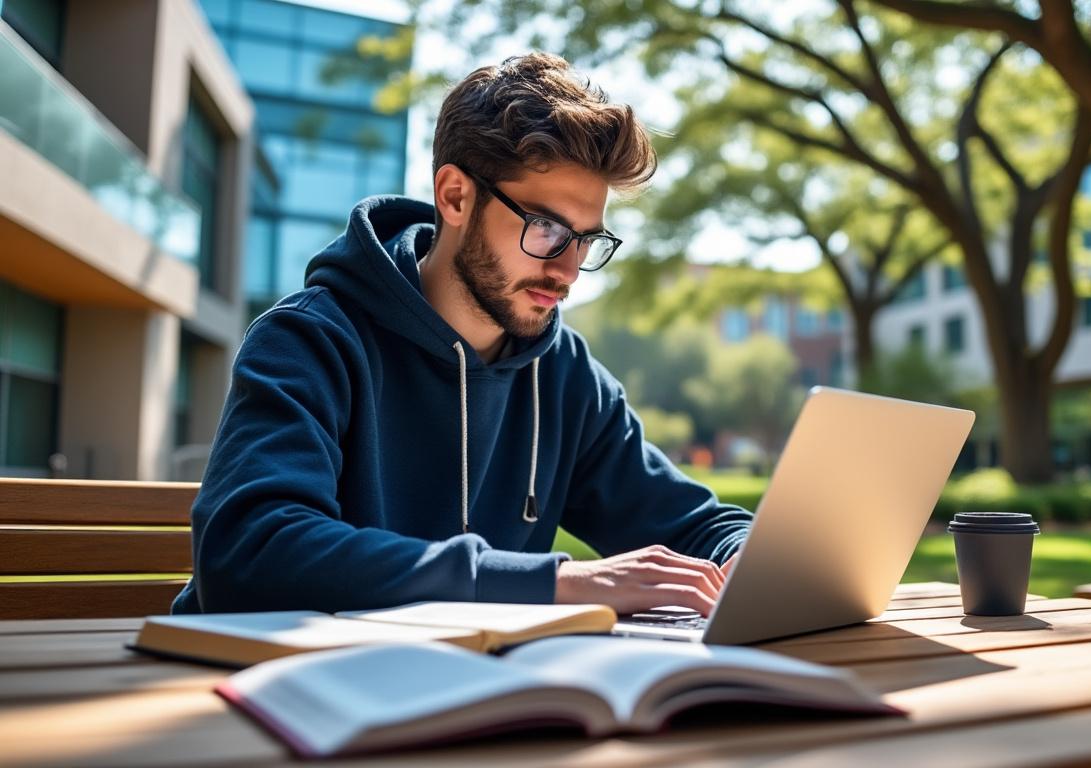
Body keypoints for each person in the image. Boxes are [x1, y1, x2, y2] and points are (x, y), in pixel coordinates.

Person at [172, 53, 751, 617]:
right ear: (454, 196)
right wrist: (551, 583)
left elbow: (696, 525)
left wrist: (753, 562)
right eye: (546, 228)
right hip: (263, 692)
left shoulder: (563, 372)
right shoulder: (310, 340)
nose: (568, 269)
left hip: (464, 693)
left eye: (587, 239)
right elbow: (249, 551)